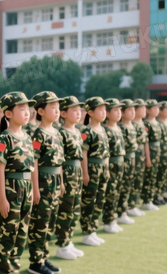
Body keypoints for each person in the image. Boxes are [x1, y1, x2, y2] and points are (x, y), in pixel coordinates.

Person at [0, 92, 36, 274]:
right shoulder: (4, 138)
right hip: (11, 189)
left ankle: (14, 273)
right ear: (8, 113)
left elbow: (33, 166)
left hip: (26, 188)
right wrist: (2, 197)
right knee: (7, 235)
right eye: (21, 108)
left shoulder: (27, 136)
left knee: (21, 234)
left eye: (28, 108)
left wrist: (34, 190)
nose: (26, 112)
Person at [27, 91, 64, 274]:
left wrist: (62, 183)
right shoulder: (38, 134)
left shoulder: (57, 132)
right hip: (43, 181)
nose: (57, 111)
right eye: (52, 107)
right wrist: (35, 188)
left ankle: (44, 256)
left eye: (58, 107)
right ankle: (35, 261)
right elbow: (33, 162)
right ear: (41, 110)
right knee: (40, 222)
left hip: (56, 181)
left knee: (51, 221)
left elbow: (60, 162)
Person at [53, 96, 85, 260]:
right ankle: (62, 244)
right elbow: (59, 159)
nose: (78, 113)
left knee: (74, 209)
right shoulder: (61, 133)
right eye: (74, 110)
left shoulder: (77, 131)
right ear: (63, 113)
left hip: (77, 172)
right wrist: (62, 181)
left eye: (79, 110)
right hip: (66, 172)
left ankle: (69, 241)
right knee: (66, 210)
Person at [79, 97, 110, 247]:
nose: (104, 112)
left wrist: (107, 168)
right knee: (89, 201)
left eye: (105, 109)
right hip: (92, 168)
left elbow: (107, 152)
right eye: (100, 109)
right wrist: (85, 173)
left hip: (103, 168)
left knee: (99, 200)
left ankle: (93, 230)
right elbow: (83, 154)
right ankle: (86, 231)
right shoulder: (86, 131)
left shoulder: (103, 129)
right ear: (90, 112)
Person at [101, 98, 125, 234]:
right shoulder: (106, 130)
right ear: (108, 113)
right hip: (111, 165)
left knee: (117, 192)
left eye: (119, 110)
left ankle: (113, 219)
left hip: (120, 163)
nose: (118, 113)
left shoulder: (118, 128)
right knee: (110, 193)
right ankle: (108, 221)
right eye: (115, 110)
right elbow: (106, 152)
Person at [116, 99, 139, 225]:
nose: (132, 113)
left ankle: (128, 208)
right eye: (129, 110)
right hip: (123, 160)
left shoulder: (132, 126)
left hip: (132, 158)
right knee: (122, 187)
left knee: (130, 184)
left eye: (133, 110)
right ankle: (121, 212)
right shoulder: (121, 128)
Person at [126, 99, 148, 218]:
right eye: (141, 108)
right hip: (133, 156)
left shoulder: (140, 124)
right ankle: (129, 205)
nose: (134, 112)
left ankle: (133, 204)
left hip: (140, 155)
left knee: (138, 180)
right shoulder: (131, 125)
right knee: (132, 181)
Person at [141, 100, 163, 211]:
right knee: (149, 177)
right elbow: (146, 142)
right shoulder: (147, 124)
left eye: (157, 108)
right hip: (151, 152)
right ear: (148, 110)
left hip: (157, 152)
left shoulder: (157, 123)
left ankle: (152, 198)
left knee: (154, 176)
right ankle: (146, 200)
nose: (156, 110)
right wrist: (148, 158)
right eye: (154, 108)